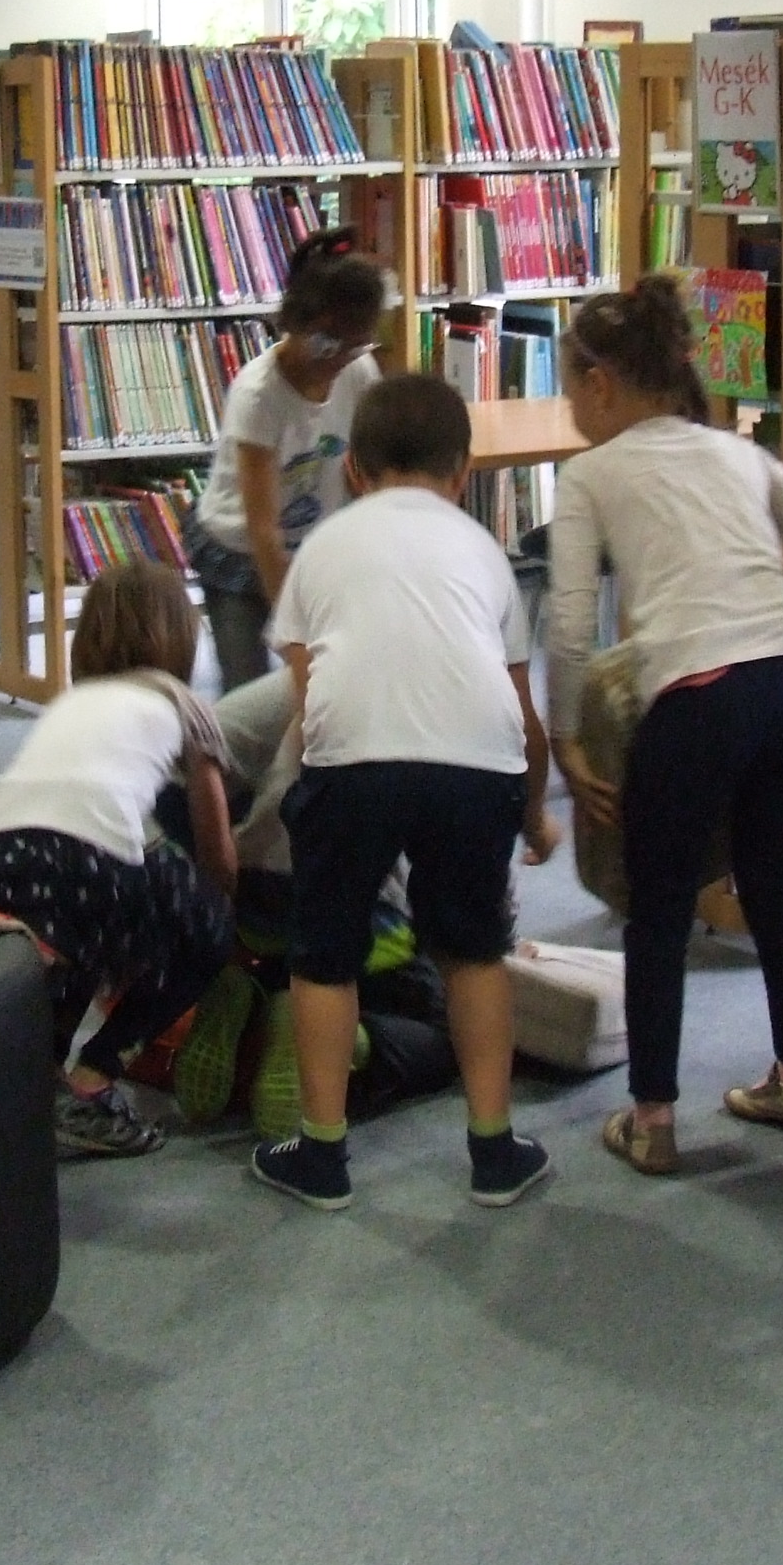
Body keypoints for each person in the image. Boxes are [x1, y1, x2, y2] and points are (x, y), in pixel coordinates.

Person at [546, 277, 783, 1178]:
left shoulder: (591, 474)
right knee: (771, 882)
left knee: (658, 905)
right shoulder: (736, 453)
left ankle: (652, 1119)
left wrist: (566, 738)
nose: (572, 408)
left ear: (601, 383)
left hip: (697, 691)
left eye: (571, 389)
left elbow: (568, 627)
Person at [249, 374, 559, 1212]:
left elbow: (308, 692)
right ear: (463, 473)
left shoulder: (322, 550)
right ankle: (494, 1149)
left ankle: (322, 1154)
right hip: (478, 763)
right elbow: (523, 712)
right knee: (474, 952)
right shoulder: (486, 553)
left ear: (353, 469)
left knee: (325, 956)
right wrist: (534, 814)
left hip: (354, 761)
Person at [0, 559, 239, 1160]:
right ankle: (97, 1072)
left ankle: (46, 1080)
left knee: (81, 929)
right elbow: (217, 850)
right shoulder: (181, 702)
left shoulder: (70, 704)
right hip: (84, 868)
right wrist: (219, 902)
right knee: (197, 919)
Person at [184, 230, 390, 689]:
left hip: (309, 546)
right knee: (246, 682)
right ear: (296, 323)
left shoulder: (358, 372)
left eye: (355, 346)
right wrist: (291, 628)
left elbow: (368, 472)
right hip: (238, 550)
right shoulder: (259, 397)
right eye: (327, 344)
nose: (338, 360)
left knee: (329, 675)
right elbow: (263, 531)